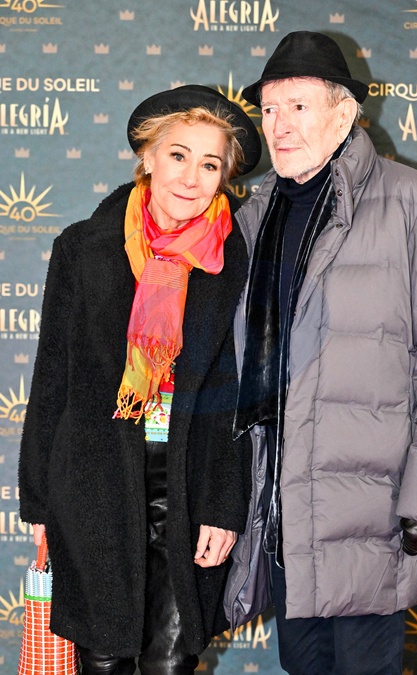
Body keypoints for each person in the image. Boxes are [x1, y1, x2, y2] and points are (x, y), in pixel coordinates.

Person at [226, 31, 417, 675]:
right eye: (270, 109)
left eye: (298, 106)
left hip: (373, 515)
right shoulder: (253, 216)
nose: (279, 125)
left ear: (344, 112)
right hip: (285, 515)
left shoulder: (416, 202)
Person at [18, 84, 261, 675]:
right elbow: (53, 380)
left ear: (224, 177)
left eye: (210, 164)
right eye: (178, 155)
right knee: (103, 659)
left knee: (171, 662)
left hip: (189, 484)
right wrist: (40, 503)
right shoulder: (83, 248)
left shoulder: (238, 260)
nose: (191, 177)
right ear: (148, 157)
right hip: (95, 484)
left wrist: (224, 507)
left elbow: (241, 395)